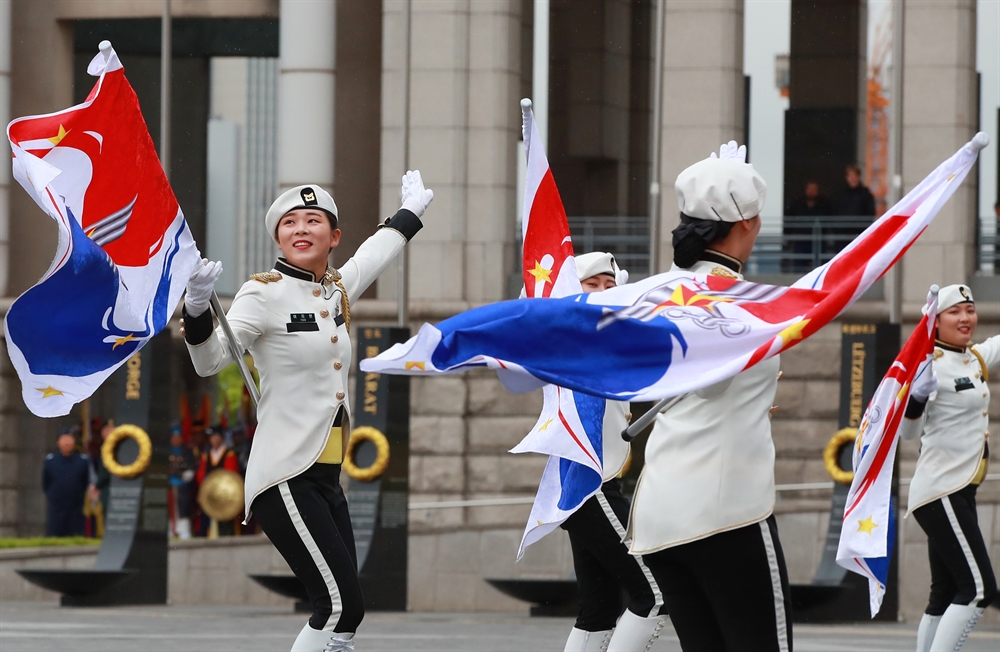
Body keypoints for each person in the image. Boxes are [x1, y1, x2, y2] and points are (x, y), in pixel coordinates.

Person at [181, 172, 433, 652]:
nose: (301, 228)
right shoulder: (263, 294)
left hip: (325, 477)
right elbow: (210, 361)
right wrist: (196, 309)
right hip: (286, 475)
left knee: (347, 613)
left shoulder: (334, 291)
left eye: (314, 220)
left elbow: (371, 258)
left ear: (333, 236)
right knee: (336, 605)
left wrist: (409, 215)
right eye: (290, 222)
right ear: (278, 236)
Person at [627, 141, 792, 651]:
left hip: (660, 517)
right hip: (727, 514)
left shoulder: (659, 294)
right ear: (749, 224)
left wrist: (718, 184)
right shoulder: (740, 306)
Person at [561, 252, 668, 652]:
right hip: (591, 487)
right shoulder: (573, 339)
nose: (604, 292)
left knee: (598, 610)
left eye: (611, 285)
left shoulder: (610, 340)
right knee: (655, 593)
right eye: (593, 284)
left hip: (594, 488)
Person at [901, 284, 998, 652]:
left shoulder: (974, 358)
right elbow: (909, 433)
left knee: (943, 593)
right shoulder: (927, 365)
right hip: (941, 491)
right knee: (978, 589)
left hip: (960, 490)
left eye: (970, 309)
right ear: (936, 321)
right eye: (955, 312)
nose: (965, 318)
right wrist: (917, 396)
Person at [42, 429, 93, 537]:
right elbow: (46, 483)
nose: (67, 442)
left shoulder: (82, 461)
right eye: (64, 439)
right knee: (54, 534)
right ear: (58, 442)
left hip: (75, 505)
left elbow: (85, 481)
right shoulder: (51, 460)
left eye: (69, 439)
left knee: (75, 533)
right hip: (56, 506)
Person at [195, 426, 240, 536]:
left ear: (221, 438)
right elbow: (201, 474)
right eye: (212, 437)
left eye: (216, 437)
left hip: (225, 494)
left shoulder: (229, 454)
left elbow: (231, 475)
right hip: (210, 493)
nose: (214, 440)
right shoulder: (206, 456)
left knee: (226, 523)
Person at [784, 181, 832, 272]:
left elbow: (829, 220)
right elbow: (789, 219)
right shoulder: (797, 203)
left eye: (814, 189)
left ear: (818, 191)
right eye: (809, 189)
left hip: (819, 240)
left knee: (821, 268)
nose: (811, 192)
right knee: (798, 267)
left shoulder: (824, 204)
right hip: (801, 240)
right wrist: (788, 236)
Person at [169, 427, 197, 539]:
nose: (176, 440)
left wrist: (186, 475)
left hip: (183, 485)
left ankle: (184, 530)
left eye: (178, 437)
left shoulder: (187, 452)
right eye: (174, 438)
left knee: (184, 508)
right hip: (169, 485)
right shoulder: (166, 451)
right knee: (170, 508)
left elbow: (192, 467)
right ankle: (171, 530)